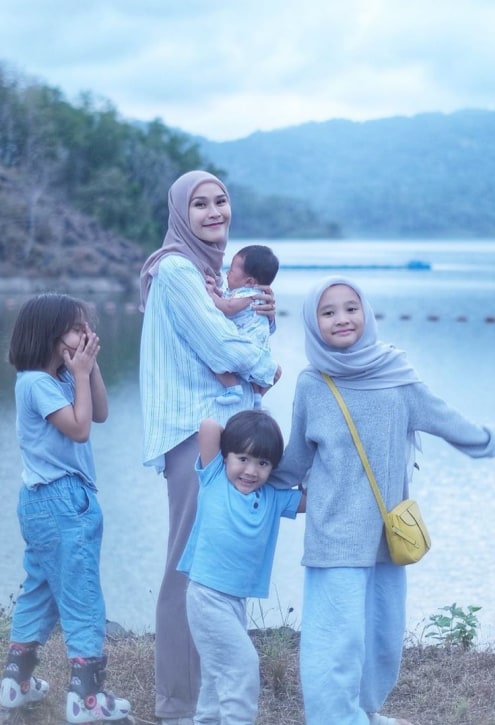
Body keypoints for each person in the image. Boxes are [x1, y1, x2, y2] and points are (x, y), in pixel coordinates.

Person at [269, 276, 495, 725]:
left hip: (387, 535)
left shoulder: (397, 377)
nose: (341, 318)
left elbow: (442, 417)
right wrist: (250, 482)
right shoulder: (313, 384)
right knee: (335, 641)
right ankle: (334, 718)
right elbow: (296, 457)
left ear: (366, 313)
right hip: (333, 535)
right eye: (328, 311)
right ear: (314, 322)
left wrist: (485, 440)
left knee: (381, 638)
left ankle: (362, 711)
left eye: (350, 307)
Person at [138, 170, 280, 725]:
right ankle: (177, 707)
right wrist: (266, 362)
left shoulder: (217, 278)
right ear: (180, 214)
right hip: (195, 438)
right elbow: (219, 345)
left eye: (220, 200)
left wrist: (257, 336)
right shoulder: (176, 270)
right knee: (188, 571)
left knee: (218, 571)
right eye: (199, 203)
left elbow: (239, 356)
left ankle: (213, 705)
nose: (213, 211)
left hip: (232, 435)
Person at [0, 293, 131, 724]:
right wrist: (77, 372)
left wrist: (85, 370)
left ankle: (16, 681)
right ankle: (87, 697)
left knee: (39, 588)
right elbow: (77, 430)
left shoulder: (57, 378)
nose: (86, 335)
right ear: (51, 336)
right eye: (77, 328)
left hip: (43, 501)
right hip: (61, 500)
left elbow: (102, 415)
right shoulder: (35, 382)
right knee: (81, 594)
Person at [178, 410, 305, 724]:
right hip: (206, 596)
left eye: (263, 463)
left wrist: (291, 470)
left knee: (217, 672)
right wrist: (253, 417)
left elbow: (311, 501)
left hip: (235, 602)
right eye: (243, 458)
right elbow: (208, 426)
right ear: (226, 456)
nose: (251, 471)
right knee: (242, 665)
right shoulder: (215, 478)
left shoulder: (272, 497)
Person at [210, 244, 280, 408]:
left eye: (232, 270)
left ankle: (233, 388)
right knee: (276, 372)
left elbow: (228, 308)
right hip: (260, 352)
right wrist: (216, 291)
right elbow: (226, 298)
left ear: (249, 281)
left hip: (245, 349)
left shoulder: (249, 294)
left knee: (216, 358)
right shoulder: (252, 294)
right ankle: (257, 395)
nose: (227, 273)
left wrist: (209, 293)